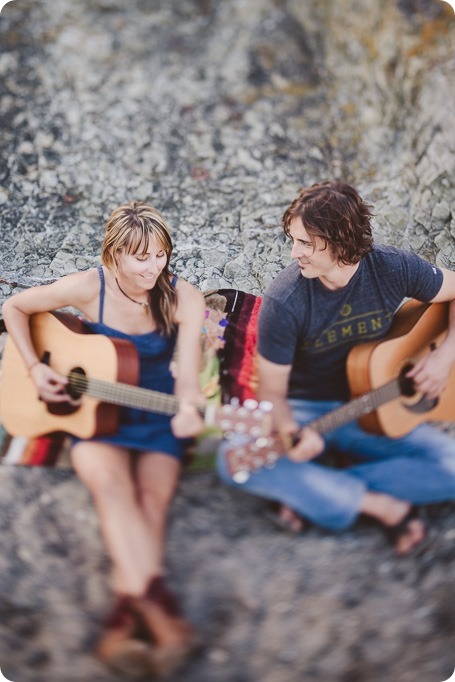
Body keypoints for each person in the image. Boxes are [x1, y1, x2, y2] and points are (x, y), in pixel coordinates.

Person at [2, 200, 206, 677]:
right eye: (141, 257)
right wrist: (35, 368)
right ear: (113, 255)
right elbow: (14, 306)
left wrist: (191, 409)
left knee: (151, 500)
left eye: (161, 255)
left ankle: (123, 615)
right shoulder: (87, 287)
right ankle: (160, 613)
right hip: (95, 415)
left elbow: (190, 377)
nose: (154, 267)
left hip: (158, 412)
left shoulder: (182, 297)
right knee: (113, 493)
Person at [217, 181, 455, 555]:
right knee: (233, 461)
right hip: (305, 409)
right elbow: (273, 394)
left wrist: (444, 357)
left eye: (306, 243)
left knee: (451, 467)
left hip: (372, 405)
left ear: (342, 241)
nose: (295, 253)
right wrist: (291, 433)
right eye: (292, 240)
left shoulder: (392, 268)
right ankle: (380, 505)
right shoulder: (286, 300)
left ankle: (322, 488)